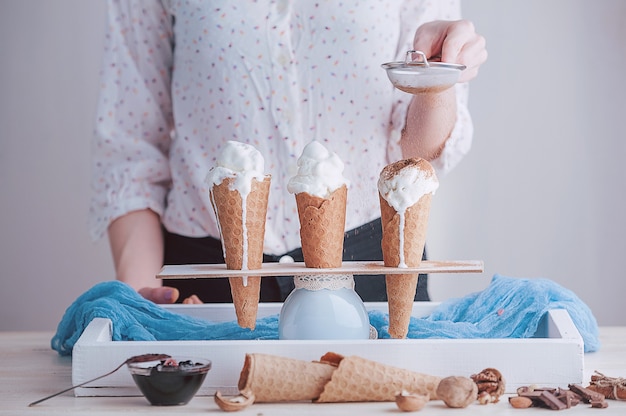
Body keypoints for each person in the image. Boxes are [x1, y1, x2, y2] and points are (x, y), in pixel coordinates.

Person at [90, 1, 487, 305]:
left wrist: (439, 75)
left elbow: (419, 153)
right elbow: (130, 146)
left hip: (373, 272)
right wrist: (139, 296)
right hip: (205, 281)